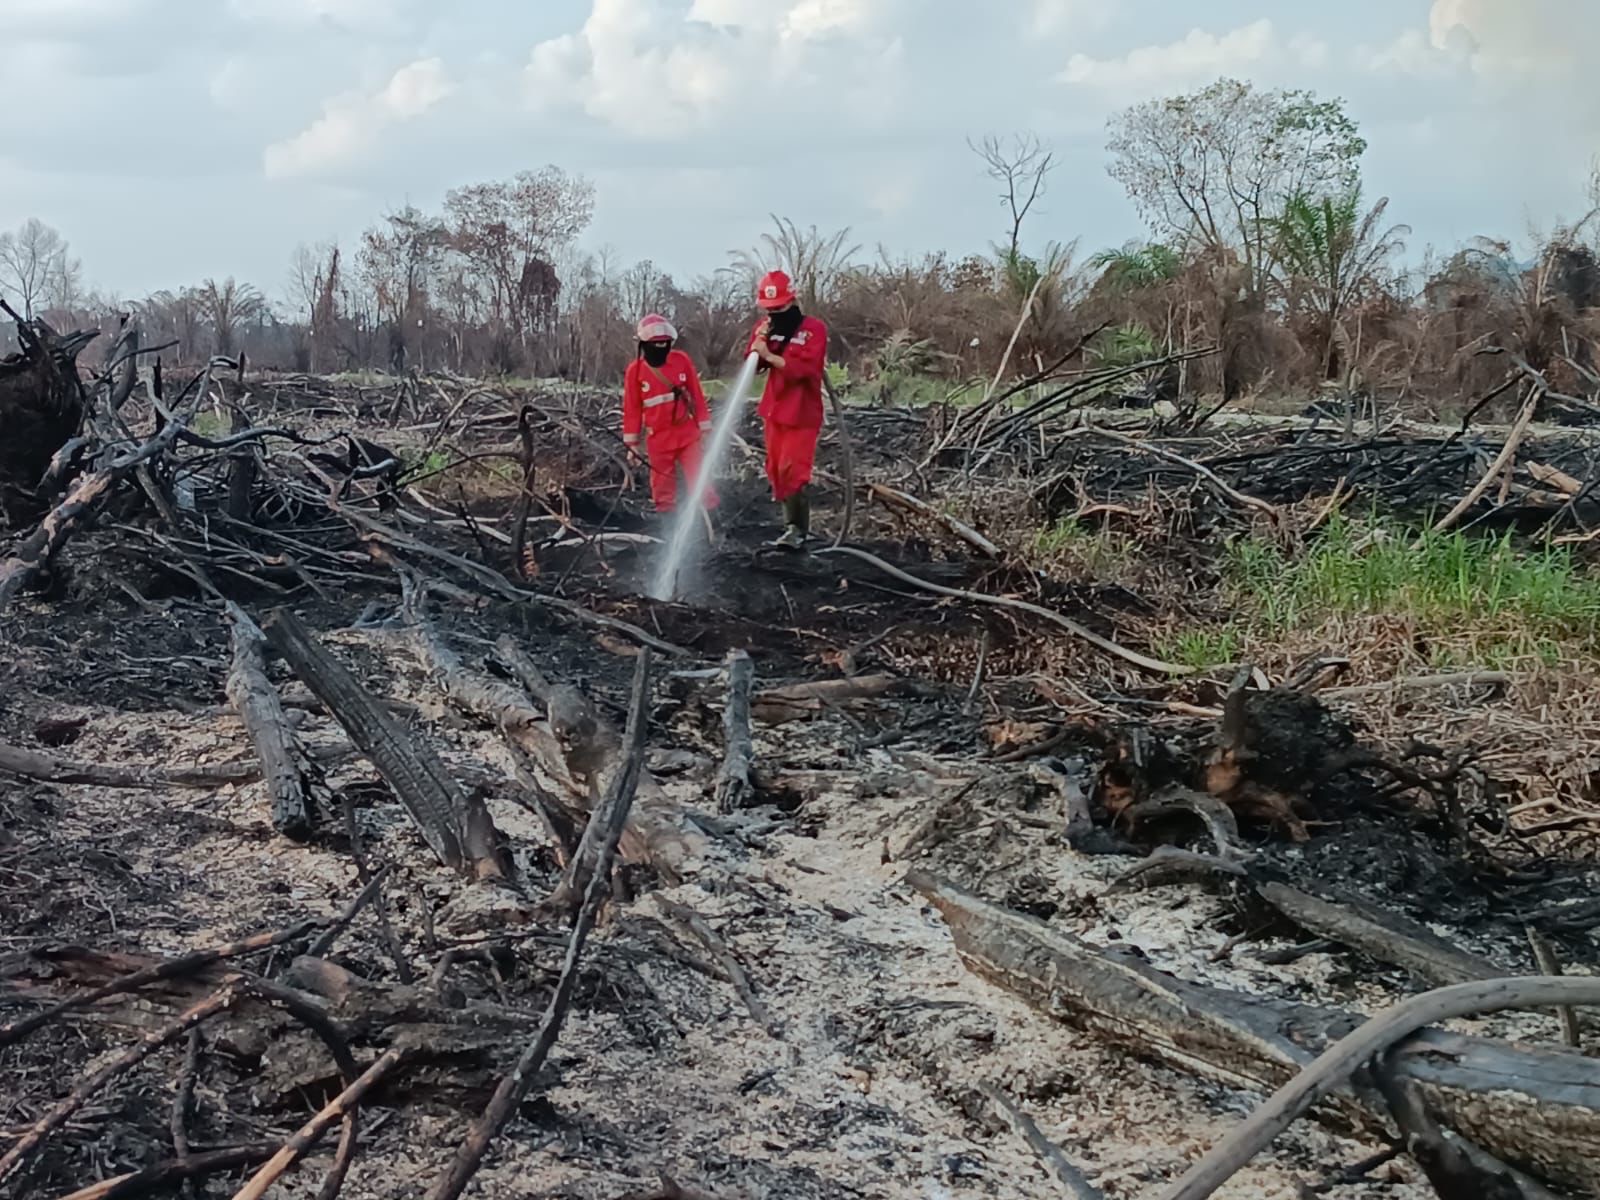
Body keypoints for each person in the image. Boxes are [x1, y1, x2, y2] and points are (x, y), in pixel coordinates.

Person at [748, 269, 828, 548]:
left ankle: (797, 531)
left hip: (802, 413)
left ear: (792, 301)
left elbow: (806, 370)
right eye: (769, 309)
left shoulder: (813, 330)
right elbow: (754, 366)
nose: (773, 313)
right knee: (777, 471)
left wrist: (771, 355)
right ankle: (788, 528)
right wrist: (759, 346)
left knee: (793, 470)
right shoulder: (767, 328)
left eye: (778, 308)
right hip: (774, 411)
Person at [621, 313, 719, 517]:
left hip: (687, 434)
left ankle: (710, 514)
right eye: (655, 344)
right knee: (662, 482)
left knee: (699, 476)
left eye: (664, 343)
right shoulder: (635, 371)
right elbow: (632, 409)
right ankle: (666, 519)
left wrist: (705, 427)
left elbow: (696, 395)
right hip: (658, 438)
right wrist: (632, 444)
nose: (661, 348)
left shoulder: (681, 361)